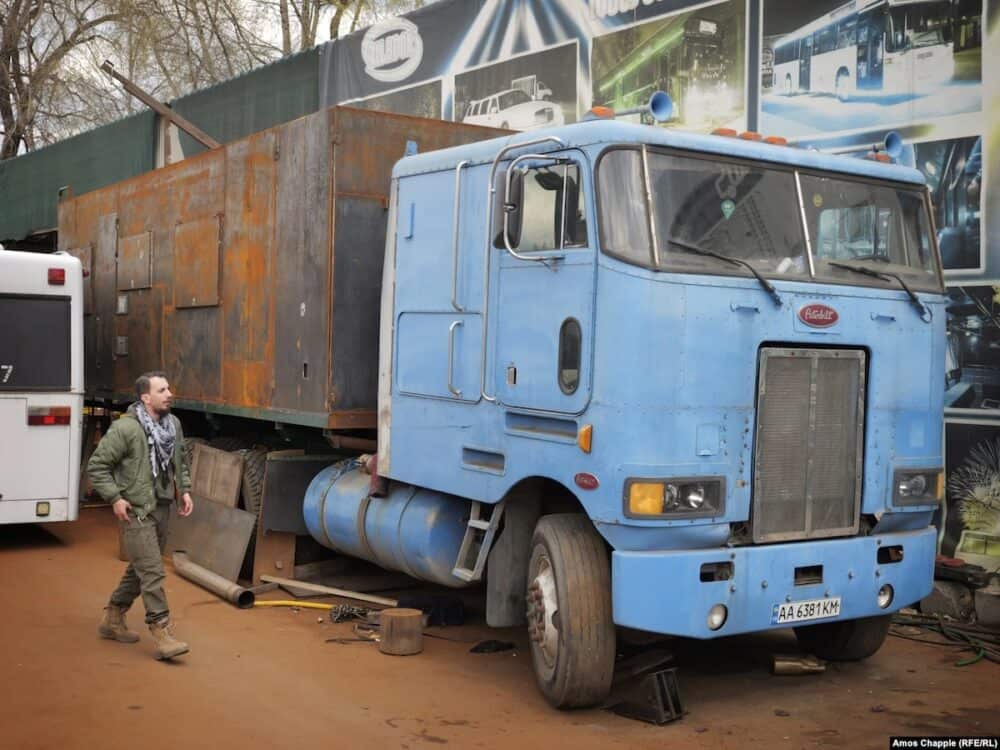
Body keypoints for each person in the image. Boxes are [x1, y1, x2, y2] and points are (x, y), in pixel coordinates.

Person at [88, 371, 194, 660]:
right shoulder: (126, 429)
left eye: (169, 388)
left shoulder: (173, 424)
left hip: (162, 507)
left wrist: (184, 490)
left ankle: (112, 617)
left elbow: (179, 461)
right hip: (137, 510)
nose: (169, 393)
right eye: (162, 390)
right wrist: (115, 497)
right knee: (152, 571)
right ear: (145, 397)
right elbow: (97, 466)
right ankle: (162, 632)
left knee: (140, 568)